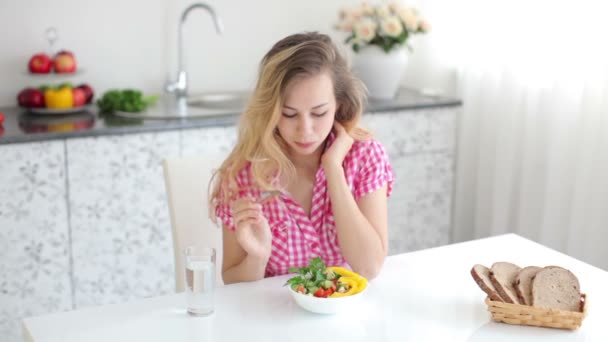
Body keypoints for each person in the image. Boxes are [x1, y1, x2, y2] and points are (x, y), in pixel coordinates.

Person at [209, 32, 394, 284]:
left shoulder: (365, 156)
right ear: (270, 111)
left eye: (319, 113)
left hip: (345, 315)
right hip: (272, 317)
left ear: (338, 104)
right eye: (289, 114)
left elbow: (369, 267)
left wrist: (333, 170)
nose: (305, 130)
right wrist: (257, 257)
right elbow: (231, 281)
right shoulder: (243, 175)